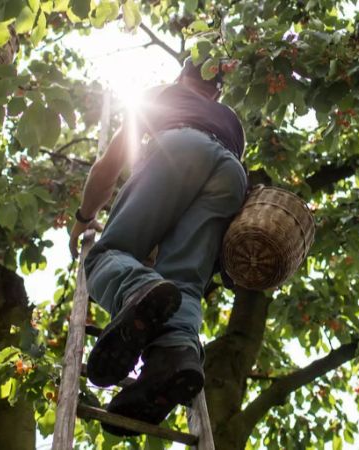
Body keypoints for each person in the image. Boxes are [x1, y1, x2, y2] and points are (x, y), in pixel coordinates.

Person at [68, 58, 247, 435]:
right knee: (183, 282)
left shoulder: (161, 95)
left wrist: (83, 218)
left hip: (178, 147)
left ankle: (135, 288)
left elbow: (108, 168)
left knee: (104, 257)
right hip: (233, 176)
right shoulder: (229, 119)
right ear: (217, 89)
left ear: (183, 75)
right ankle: (174, 355)